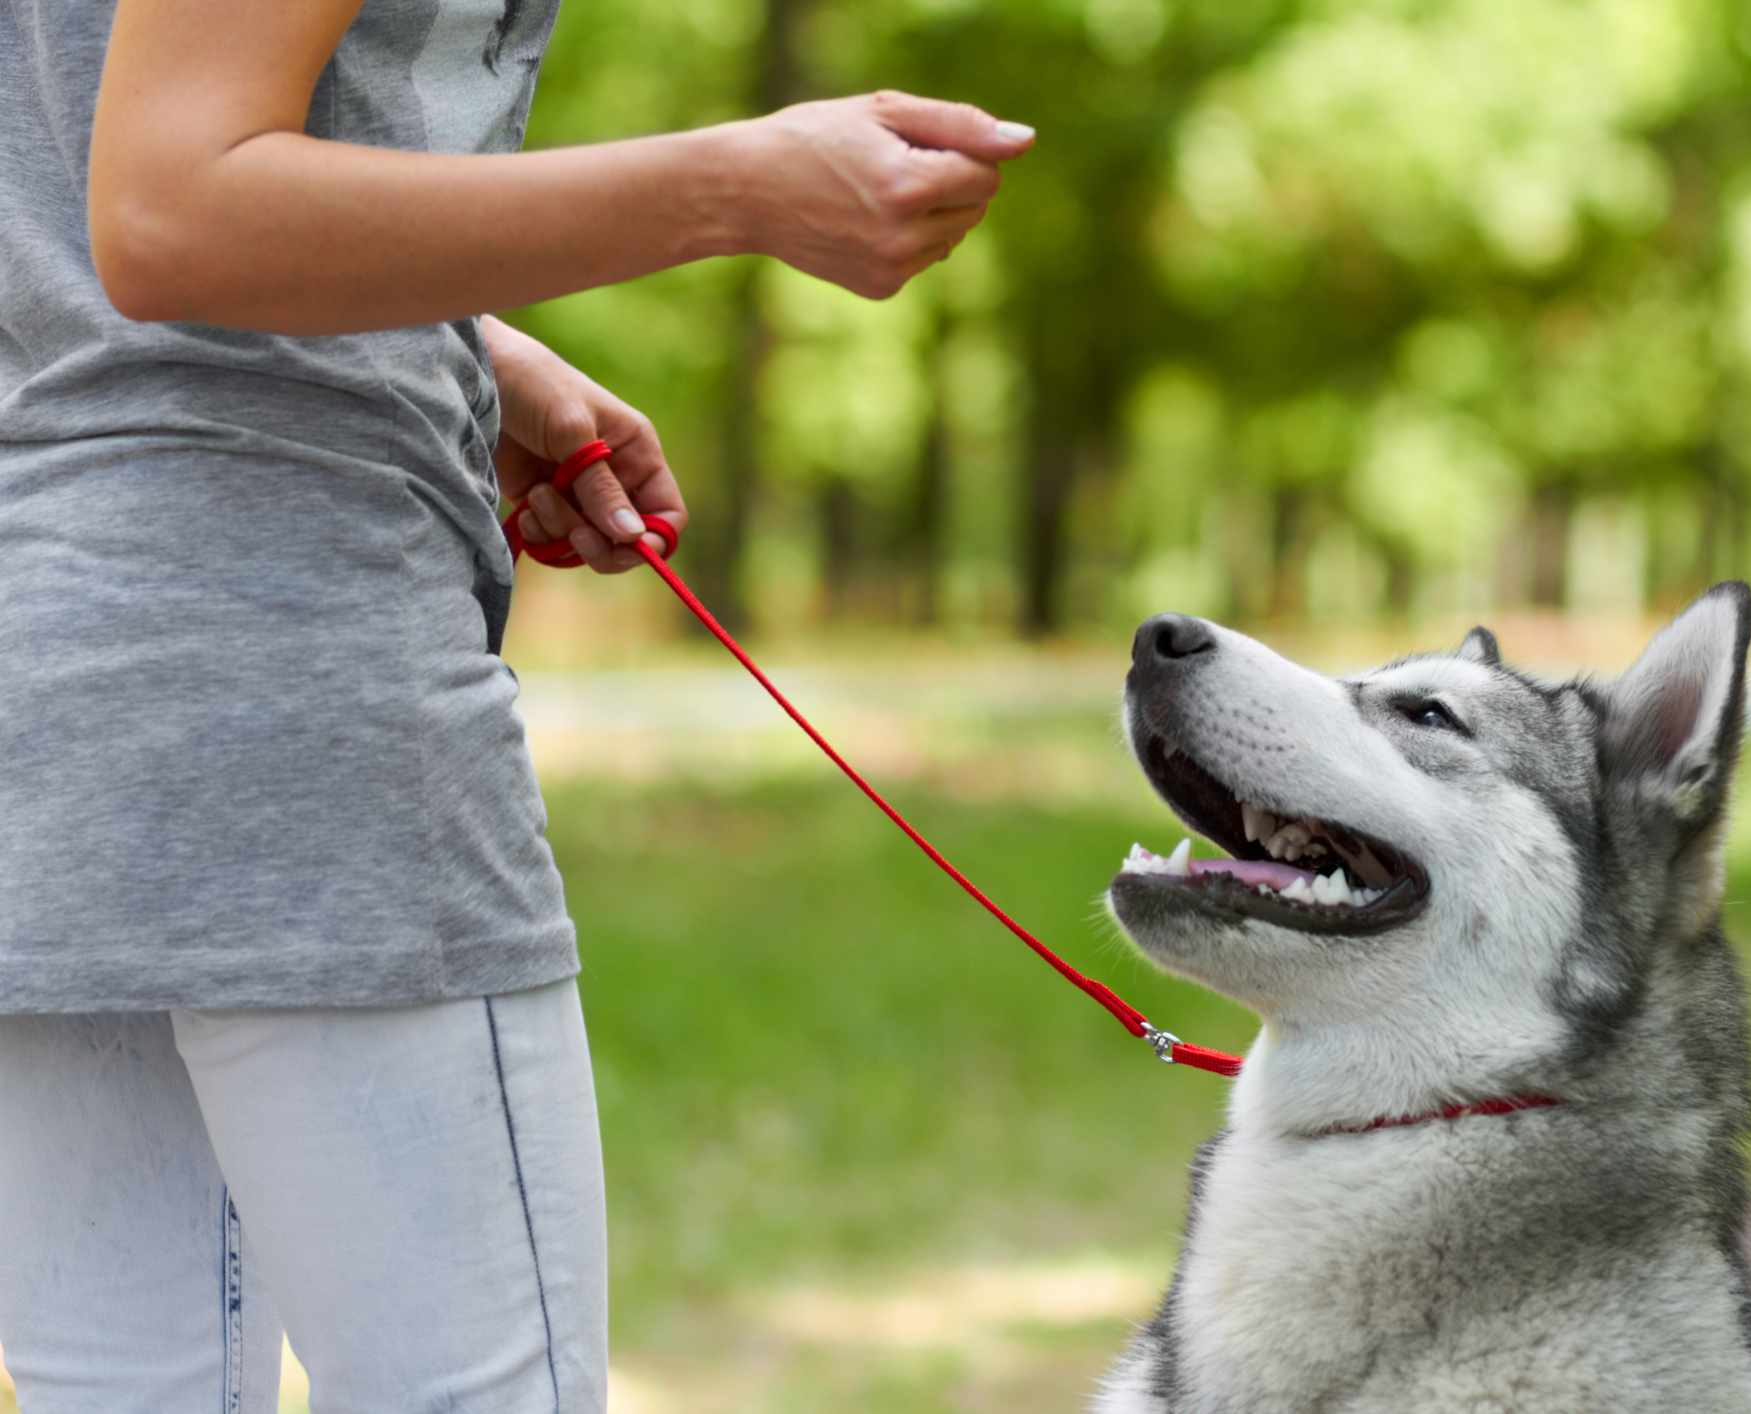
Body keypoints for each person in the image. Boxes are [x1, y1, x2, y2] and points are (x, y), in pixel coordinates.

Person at [0, 0, 1033, 1406]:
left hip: (55, 685)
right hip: (295, 672)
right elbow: (167, 207)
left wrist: (464, 357)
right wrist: (736, 185)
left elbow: (74, 194)